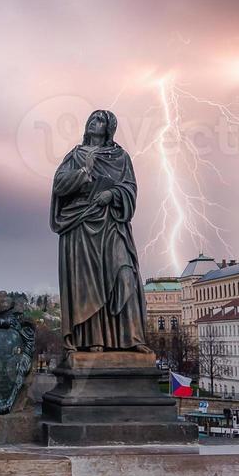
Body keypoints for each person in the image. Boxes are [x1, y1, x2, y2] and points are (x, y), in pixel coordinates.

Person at [50, 109, 150, 351]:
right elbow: (59, 186)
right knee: (89, 283)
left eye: (102, 120)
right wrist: (83, 173)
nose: (96, 123)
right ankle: (93, 339)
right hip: (82, 224)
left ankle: (131, 338)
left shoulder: (120, 157)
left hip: (111, 222)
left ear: (109, 129)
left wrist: (113, 194)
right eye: (93, 119)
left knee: (124, 272)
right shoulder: (75, 156)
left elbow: (130, 189)